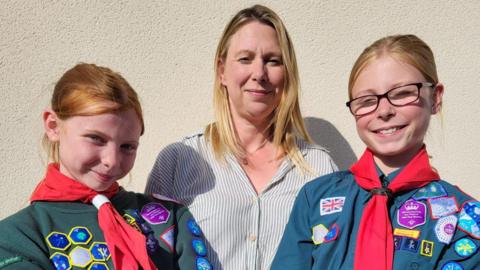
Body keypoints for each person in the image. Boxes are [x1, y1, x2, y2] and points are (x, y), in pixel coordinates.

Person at [145, 5, 337, 270]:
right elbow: (152, 257)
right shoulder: (178, 161)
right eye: (245, 59)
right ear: (222, 71)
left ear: (287, 73)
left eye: (272, 60)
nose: (259, 73)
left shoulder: (319, 169)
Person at [271, 34, 480, 269]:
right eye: (367, 100)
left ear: (435, 98)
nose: (384, 111)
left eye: (402, 93)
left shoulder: (465, 219)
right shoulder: (315, 198)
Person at [0, 63, 211, 270]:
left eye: (127, 146)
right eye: (96, 138)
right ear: (53, 126)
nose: (112, 160)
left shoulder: (170, 218)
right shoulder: (19, 236)